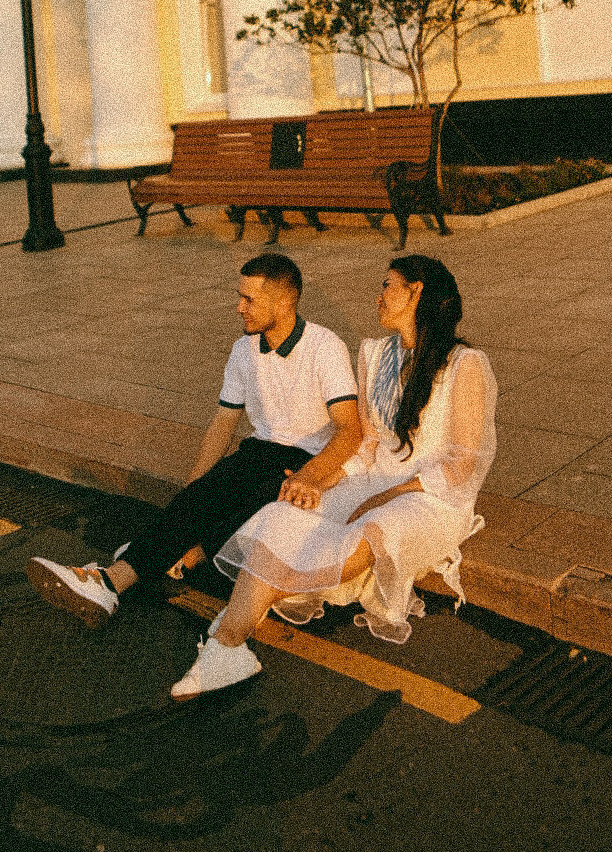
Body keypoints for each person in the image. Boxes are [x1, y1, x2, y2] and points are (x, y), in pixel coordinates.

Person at [168, 254, 497, 699]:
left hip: (430, 494)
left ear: (415, 293)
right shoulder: (375, 353)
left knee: (376, 529)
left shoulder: (465, 364)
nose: (378, 296)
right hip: (373, 477)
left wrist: (390, 494)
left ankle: (230, 631)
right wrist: (320, 479)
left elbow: (462, 463)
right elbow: (365, 444)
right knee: (285, 515)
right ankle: (229, 648)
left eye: (387, 286)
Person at [27, 251, 362, 630]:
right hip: (260, 449)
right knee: (203, 496)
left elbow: (350, 429)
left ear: (284, 303)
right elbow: (223, 422)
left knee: (255, 505)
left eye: (249, 299)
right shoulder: (243, 350)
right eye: (240, 296)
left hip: (306, 457)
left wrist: (310, 475)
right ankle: (110, 581)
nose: (239, 307)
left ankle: (172, 559)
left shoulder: (324, 346)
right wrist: (191, 493)